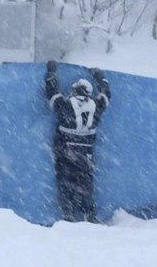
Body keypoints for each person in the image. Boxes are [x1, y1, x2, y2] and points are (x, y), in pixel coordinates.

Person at [44, 60, 111, 222]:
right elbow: (106, 94)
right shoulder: (96, 106)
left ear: (75, 91)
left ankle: (68, 213)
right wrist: (99, 76)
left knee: (65, 183)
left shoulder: (66, 105)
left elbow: (51, 91)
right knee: (85, 184)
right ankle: (89, 213)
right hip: (86, 154)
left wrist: (52, 71)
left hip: (65, 151)